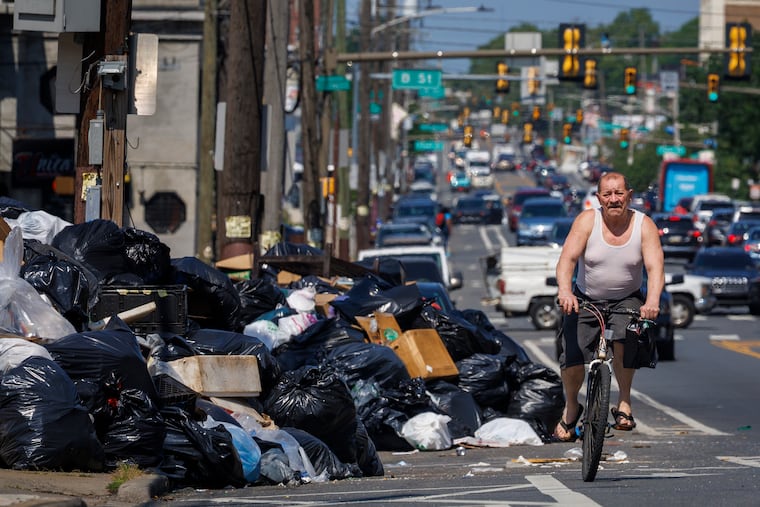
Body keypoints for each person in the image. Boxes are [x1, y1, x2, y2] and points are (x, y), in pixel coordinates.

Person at [553, 172, 664, 441]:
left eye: (618, 193)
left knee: (627, 339)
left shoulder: (643, 225)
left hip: (626, 298)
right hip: (585, 298)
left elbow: (655, 268)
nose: (613, 199)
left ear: (629, 195)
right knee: (573, 356)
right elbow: (567, 261)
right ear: (599, 198)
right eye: (607, 194)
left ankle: (624, 403)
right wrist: (565, 291)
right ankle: (571, 408)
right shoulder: (587, 221)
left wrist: (652, 302)